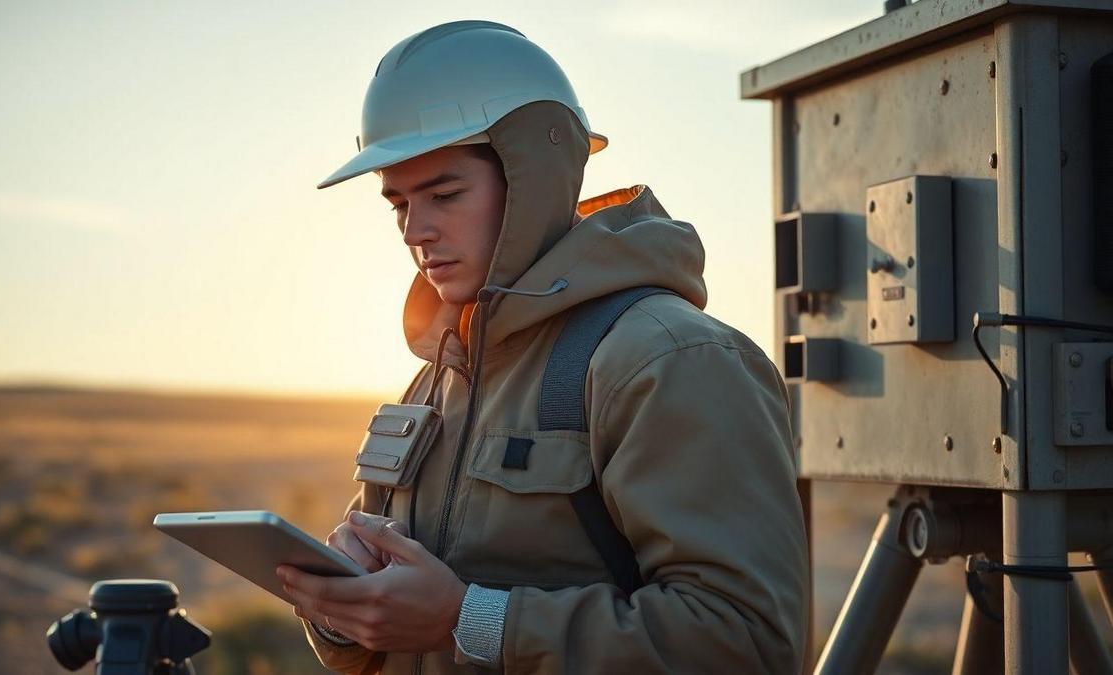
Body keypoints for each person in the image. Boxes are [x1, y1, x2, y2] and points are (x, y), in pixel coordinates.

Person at [275, 20, 809, 674]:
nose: (415, 231)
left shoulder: (669, 360)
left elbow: (746, 644)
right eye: (398, 204)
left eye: (445, 194)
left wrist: (466, 619)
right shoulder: (441, 373)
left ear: (533, 179)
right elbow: (379, 644)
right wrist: (341, 612)